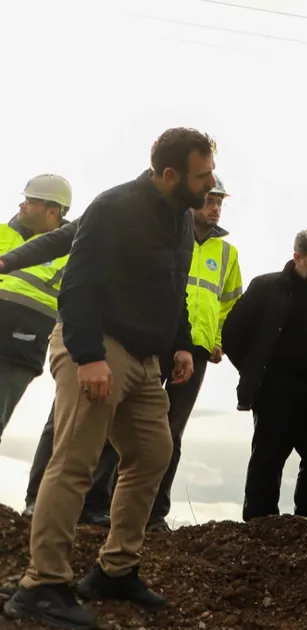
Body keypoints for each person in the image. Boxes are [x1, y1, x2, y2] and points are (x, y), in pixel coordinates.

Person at [3, 127, 215, 628]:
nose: (210, 185)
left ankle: (114, 570)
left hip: (145, 357)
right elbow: (78, 282)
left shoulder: (182, 219)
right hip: (97, 344)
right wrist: (88, 355)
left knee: (152, 455)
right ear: (169, 175)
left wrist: (181, 342)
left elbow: (174, 284)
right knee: (76, 459)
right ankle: (43, 583)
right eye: (202, 175)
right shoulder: (116, 206)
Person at [16, 176, 242, 531]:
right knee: (82, 430)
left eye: (219, 201)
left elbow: (210, 296)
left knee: (158, 441)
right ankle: (55, 517)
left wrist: (203, 340)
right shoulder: (126, 210)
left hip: (181, 344)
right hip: (117, 336)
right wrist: (7, 261)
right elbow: (72, 258)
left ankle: (128, 519)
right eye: (208, 196)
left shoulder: (217, 247)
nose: (214, 206)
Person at [223, 229, 307, 522]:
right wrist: (256, 371)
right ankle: (259, 522)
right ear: (297, 258)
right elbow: (232, 334)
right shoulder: (267, 287)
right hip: (278, 390)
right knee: (268, 458)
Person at [0, 175, 72, 444]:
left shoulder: (72, 252)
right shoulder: (1, 232)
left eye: (30, 201)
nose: (23, 205)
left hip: (19, 348)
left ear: (52, 211)